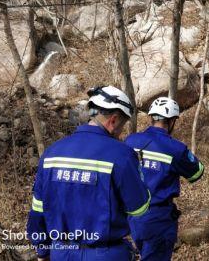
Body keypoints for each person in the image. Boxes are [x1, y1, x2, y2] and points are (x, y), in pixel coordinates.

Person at [27, 86, 151, 261]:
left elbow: (37, 211)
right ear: (113, 120)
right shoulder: (121, 155)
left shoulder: (51, 153)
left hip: (61, 252)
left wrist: (42, 250)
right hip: (106, 254)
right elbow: (139, 210)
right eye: (122, 125)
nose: (121, 132)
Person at [125, 97, 204, 261]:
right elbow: (197, 173)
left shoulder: (130, 140)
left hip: (132, 217)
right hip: (159, 218)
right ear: (172, 121)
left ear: (151, 117)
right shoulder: (176, 148)